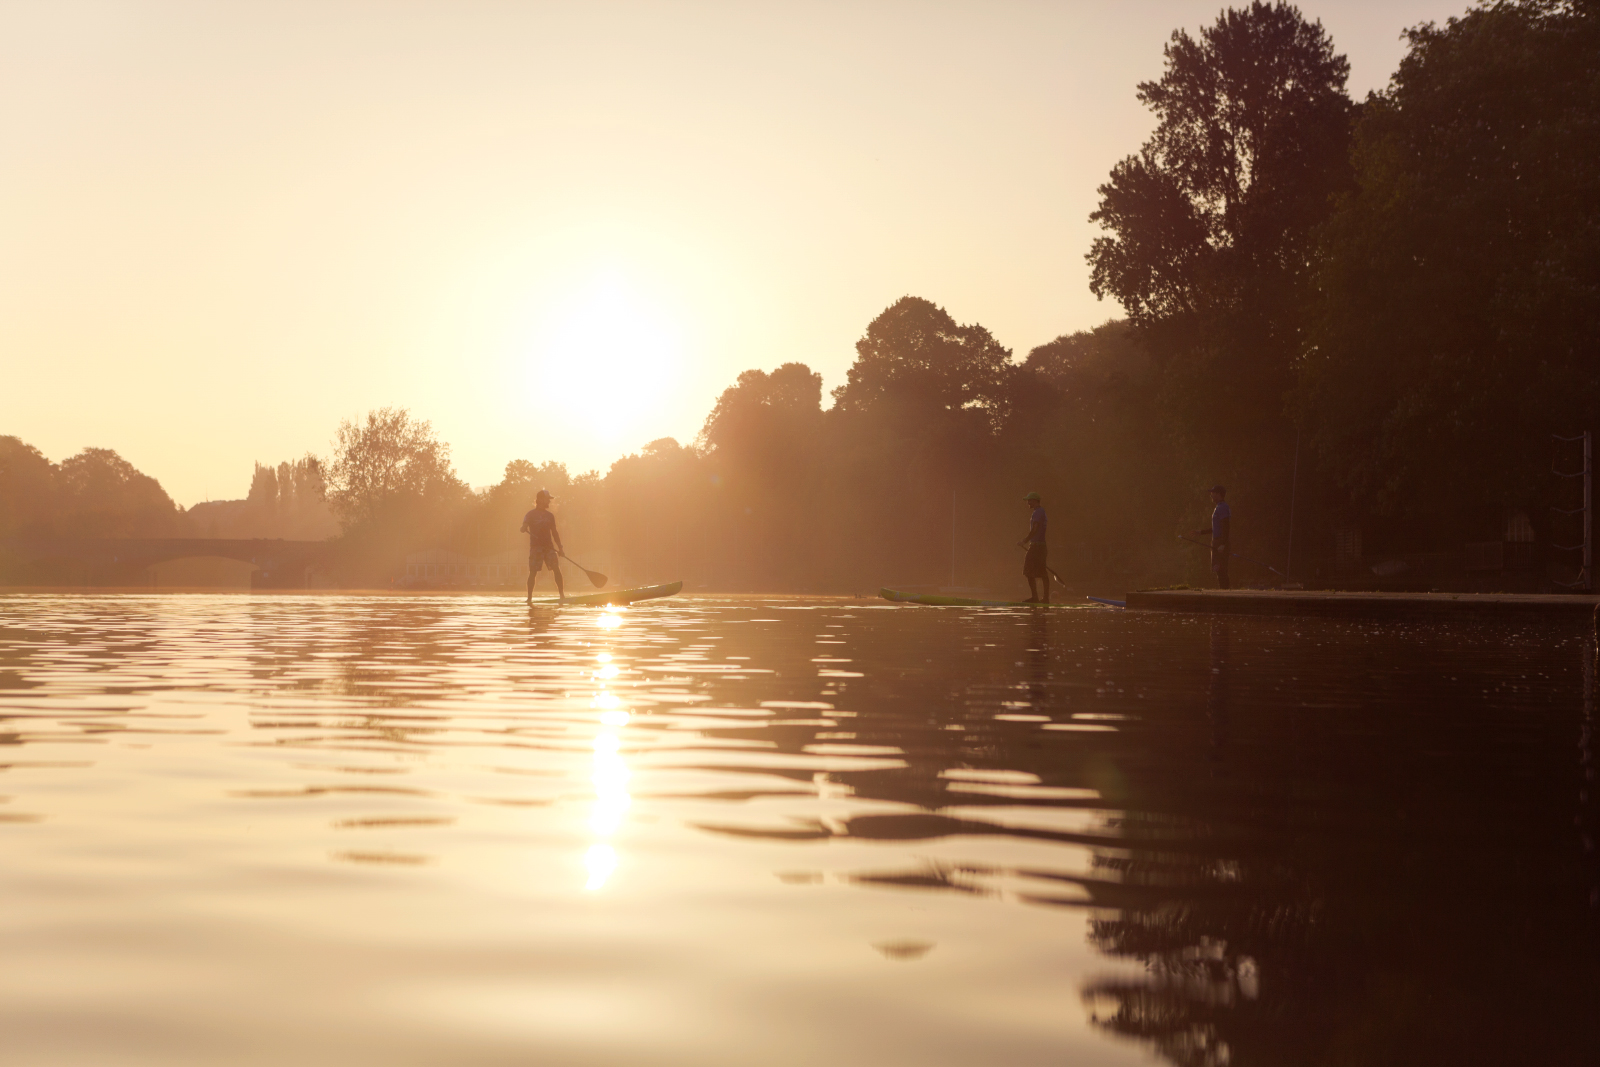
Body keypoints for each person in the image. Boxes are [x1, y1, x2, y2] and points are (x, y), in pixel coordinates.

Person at [521, 489, 565, 603]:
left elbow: (554, 532)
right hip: (536, 548)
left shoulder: (550, 516)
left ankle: (562, 596)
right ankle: (529, 599)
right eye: (547, 500)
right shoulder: (530, 514)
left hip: (549, 547)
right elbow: (524, 526)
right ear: (540, 500)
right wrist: (524, 528)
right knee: (533, 572)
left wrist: (560, 548)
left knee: (556, 570)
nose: (549, 502)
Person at [1192, 485, 1231, 589]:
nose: (1211, 495)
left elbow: (1225, 526)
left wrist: (1223, 544)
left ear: (1218, 494)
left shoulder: (1222, 507)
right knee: (1218, 570)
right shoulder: (1218, 507)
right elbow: (1216, 528)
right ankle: (1224, 592)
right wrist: (1201, 532)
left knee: (1221, 569)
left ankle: (1225, 593)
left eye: (1213, 493)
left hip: (1220, 542)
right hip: (1216, 542)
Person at [1017, 491, 1049, 604]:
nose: (1028, 503)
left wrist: (1024, 541)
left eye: (1029, 501)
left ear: (1035, 501)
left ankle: (1042, 598)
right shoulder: (1040, 511)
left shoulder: (1038, 512)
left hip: (1037, 547)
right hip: (1039, 547)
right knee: (1036, 572)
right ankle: (1041, 598)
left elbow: (1034, 530)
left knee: (1030, 571)